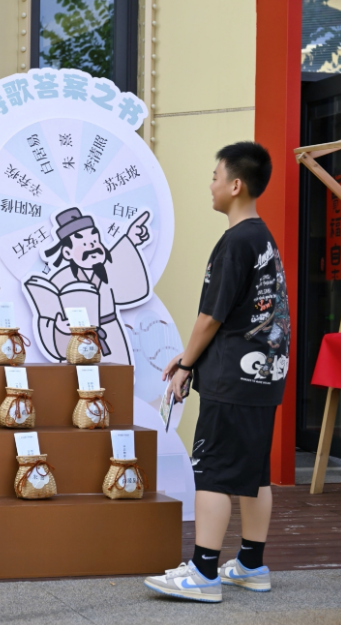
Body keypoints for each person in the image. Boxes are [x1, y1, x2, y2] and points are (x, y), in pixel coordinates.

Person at [145, 142, 289, 602]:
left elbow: (211, 317)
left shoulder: (235, 242)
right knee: (253, 474)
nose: (210, 185)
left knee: (212, 472)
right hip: (265, 376)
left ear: (235, 184)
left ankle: (204, 572)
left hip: (232, 379)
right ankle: (250, 564)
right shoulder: (263, 239)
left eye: (215, 176)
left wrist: (186, 363)